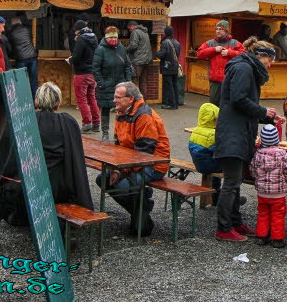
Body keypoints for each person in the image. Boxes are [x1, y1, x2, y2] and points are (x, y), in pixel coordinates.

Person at [0, 82, 93, 253]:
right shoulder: (68, 122)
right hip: (59, 189)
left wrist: (4, 180)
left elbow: (13, 161)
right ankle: (63, 234)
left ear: (36, 102)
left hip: (28, 187)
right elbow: (75, 159)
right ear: (58, 103)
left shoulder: (26, 121)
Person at [214, 37, 282, 242]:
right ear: (262, 56)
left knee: (235, 182)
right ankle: (224, 229)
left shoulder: (245, 67)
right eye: (270, 61)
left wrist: (266, 116)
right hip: (233, 133)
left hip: (238, 130)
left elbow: (243, 103)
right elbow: (239, 99)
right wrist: (263, 110)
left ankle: (235, 222)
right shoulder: (244, 68)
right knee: (232, 182)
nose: (270, 66)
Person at [97, 82, 170, 237]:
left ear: (130, 99)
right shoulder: (121, 112)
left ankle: (142, 216)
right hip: (131, 162)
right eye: (114, 97)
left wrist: (121, 171)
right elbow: (118, 146)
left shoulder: (144, 115)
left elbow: (143, 153)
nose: (114, 100)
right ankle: (142, 210)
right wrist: (116, 169)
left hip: (154, 164)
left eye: (118, 97)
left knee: (126, 184)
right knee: (103, 178)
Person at [250, 124, 287, 248]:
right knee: (278, 215)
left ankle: (261, 236)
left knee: (263, 213)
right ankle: (277, 239)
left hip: (262, 192)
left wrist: (258, 180)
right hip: (278, 193)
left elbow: (253, 170)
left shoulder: (258, 154)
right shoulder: (282, 154)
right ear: (277, 139)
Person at [92, 26, 133, 142]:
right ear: (106, 38)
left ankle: (119, 133)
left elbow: (127, 65)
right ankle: (105, 133)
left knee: (122, 110)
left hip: (121, 84)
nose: (114, 40)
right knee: (105, 109)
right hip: (106, 84)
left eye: (115, 37)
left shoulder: (121, 48)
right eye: (111, 37)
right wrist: (101, 83)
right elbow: (95, 68)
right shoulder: (100, 50)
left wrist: (128, 81)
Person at [196, 20, 245, 106]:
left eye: (221, 29)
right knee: (213, 105)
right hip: (215, 80)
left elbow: (244, 55)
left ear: (226, 30)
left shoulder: (235, 43)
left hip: (230, 80)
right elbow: (199, 54)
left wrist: (229, 53)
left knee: (228, 104)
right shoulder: (210, 43)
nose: (218, 31)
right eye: (217, 29)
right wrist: (214, 49)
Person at [68, 24, 100, 134]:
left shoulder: (81, 39)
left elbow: (76, 57)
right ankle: (96, 123)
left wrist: (70, 60)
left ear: (78, 30)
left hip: (81, 73)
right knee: (92, 98)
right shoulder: (94, 38)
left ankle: (87, 124)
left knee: (81, 99)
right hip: (92, 73)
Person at [188, 103, 222, 201]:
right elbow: (219, 152)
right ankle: (227, 198)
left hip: (198, 164)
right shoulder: (212, 135)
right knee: (232, 167)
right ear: (214, 120)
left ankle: (216, 196)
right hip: (210, 166)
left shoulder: (195, 131)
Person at [7, 16, 38, 98]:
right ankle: (35, 99)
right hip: (32, 57)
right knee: (33, 79)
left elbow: (10, 47)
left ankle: (23, 99)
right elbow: (30, 40)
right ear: (20, 22)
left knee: (21, 80)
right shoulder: (27, 29)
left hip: (21, 58)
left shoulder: (11, 32)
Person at [156, 25, 181, 109]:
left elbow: (162, 54)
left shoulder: (165, 42)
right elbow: (177, 54)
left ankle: (171, 104)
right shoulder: (177, 42)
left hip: (167, 67)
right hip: (175, 66)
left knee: (169, 85)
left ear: (165, 32)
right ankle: (176, 103)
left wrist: (157, 53)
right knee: (174, 84)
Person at [126, 20, 152, 89]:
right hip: (146, 60)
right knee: (143, 81)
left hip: (138, 60)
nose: (129, 31)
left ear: (132, 26)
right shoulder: (145, 32)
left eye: (129, 28)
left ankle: (136, 99)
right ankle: (143, 99)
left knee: (135, 80)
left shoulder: (135, 32)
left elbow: (133, 45)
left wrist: (125, 49)